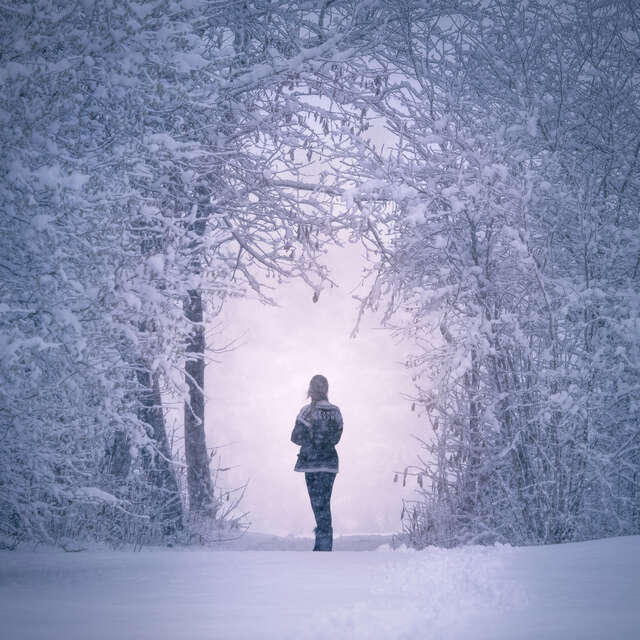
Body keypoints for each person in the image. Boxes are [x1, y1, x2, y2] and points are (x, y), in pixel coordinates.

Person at [291, 374, 343, 551]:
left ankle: (323, 542)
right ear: (326, 390)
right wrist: (323, 441)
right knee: (324, 501)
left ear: (311, 390)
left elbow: (295, 438)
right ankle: (324, 541)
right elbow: (336, 438)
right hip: (329, 464)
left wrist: (310, 440)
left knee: (317, 502)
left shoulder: (306, 412)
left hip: (311, 464)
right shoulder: (335, 412)